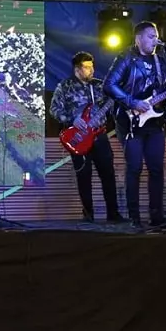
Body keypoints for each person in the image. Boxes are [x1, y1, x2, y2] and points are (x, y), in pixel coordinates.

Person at [103, 21, 166, 227]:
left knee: (156, 169)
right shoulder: (126, 57)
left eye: (156, 36)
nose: (155, 40)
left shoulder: (161, 61)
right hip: (130, 121)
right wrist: (133, 102)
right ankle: (134, 217)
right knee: (134, 168)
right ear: (138, 38)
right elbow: (109, 85)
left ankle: (156, 216)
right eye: (151, 36)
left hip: (155, 122)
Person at [49, 51, 122, 222]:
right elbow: (54, 109)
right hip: (79, 138)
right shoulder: (65, 86)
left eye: (92, 66)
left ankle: (113, 214)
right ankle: (88, 215)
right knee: (84, 176)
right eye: (87, 67)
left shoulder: (100, 85)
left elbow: (112, 106)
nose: (92, 70)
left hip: (100, 135)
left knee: (108, 174)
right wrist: (71, 119)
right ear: (77, 69)